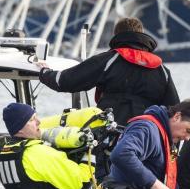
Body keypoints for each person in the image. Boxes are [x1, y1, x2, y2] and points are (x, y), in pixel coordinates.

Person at [37, 17, 180, 125]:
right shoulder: (162, 70)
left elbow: (65, 81)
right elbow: (175, 112)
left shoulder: (108, 60)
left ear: (116, 35)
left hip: (111, 133)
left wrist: (44, 72)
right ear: (142, 35)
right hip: (147, 137)